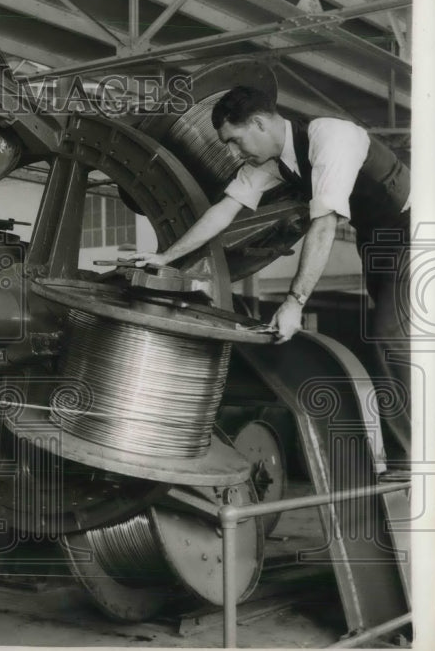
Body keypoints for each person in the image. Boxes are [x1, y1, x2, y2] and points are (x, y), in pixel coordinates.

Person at [130, 85, 412, 451]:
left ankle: (421, 460)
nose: (233, 153)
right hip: (377, 241)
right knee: (396, 342)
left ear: (260, 123)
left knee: (393, 339)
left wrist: (294, 301)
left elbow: (323, 225)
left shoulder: (331, 138)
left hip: (418, 229)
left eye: (235, 140)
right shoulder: (272, 163)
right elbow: (224, 211)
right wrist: (167, 257)